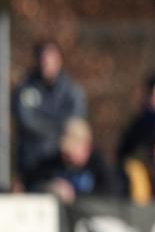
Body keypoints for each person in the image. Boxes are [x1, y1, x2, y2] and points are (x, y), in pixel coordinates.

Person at [14, 41, 87, 189]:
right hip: (32, 162)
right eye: (43, 60)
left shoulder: (72, 90)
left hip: (62, 163)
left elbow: (75, 124)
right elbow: (27, 122)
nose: (46, 65)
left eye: (51, 60)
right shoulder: (26, 89)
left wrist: (51, 129)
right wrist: (59, 128)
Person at [30, 117, 119, 203]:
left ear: (86, 147)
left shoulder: (100, 165)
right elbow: (32, 184)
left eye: (70, 153)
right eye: (64, 152)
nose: (65, 157)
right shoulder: (51, 164)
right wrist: (50, 187)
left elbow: (112, 197)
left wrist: (74, 195)